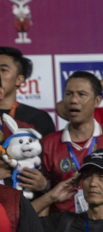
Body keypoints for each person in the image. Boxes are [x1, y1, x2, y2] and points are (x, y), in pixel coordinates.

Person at [39, 72, 103, 214]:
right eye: (68, 94)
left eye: (81, 94)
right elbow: (45, 196)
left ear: (97, 101)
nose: (73, 100)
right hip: (63, 230)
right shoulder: (49, 143)